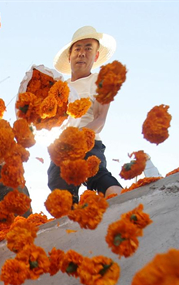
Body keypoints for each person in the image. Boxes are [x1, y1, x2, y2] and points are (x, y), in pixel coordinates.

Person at [48, 26, 123, 203]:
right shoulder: (59, 87)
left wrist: (77, 137)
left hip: (87, 143)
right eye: (78, 49)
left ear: (96, 56)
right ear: (70, 56)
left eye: (88, 48)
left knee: (97, 177)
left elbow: (100, 119)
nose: (82, 53)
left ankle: (125, 205)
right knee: (60, 193)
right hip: (61, 149)